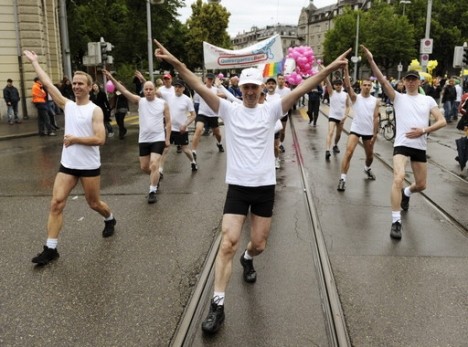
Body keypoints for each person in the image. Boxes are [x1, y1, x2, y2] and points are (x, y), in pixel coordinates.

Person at [154, 38, 351, 334]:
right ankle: (218, 305)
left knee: (258, 244)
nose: (249, 92)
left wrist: (330, 69)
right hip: (237, 187)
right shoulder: (228, 110)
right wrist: (175, 63)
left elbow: (304, 87)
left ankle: (249, 259)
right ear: (241, 90)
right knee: (228, 242)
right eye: (245, 87)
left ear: (261, 91)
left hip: (263, 190)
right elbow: (197, 84)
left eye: (254, 88)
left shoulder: (271, 110)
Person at [24, 50, 116, 266]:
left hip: (89, 165)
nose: (76, 86)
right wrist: (35, 63)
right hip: (68, 165)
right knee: (56, 203)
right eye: (74, 83)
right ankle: (51, 248)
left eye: (80, 84)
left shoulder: (95, 111)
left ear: (89, 87)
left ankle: (109, 218)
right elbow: (48, 84)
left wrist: (76, 139)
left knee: (93, 203)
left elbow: (100, 139)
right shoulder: (68, 105)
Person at [361, 45, 446, 241]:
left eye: (413, 79)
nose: (410, 82)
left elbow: (441, 121)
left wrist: (423, 130)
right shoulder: (397, 97)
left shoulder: (428, 100)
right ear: (403, 82)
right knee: (398, 178)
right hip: (401, 145)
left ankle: (407, 193)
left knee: (422, 185)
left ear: (419, 82)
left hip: (420, 145)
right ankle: (396, 221)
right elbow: (382, 79)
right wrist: (371, 60)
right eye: (407, 79)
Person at [103, 69, 171, 204]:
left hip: (158, 138)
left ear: (154, 90)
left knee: (154, 164)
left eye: (151, 89)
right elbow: (124, 90)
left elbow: (168, 122)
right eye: (146, 89)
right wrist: (111, 78)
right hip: (144, 139)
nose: (149, 91)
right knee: (145, 167)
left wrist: (167, 138)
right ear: (143, 91)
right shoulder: (140, 101)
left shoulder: (162, 104)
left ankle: (152, 191)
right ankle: (156, 176)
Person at [337, 65, 379, 192]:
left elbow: (376, 117)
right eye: (365, 85)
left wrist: (375, 135)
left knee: (370, 156)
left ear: (371, 87)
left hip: (368, 132)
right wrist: (345, 70)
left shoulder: (375, 101)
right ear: (361, 86)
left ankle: (367, 169)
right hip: (355, 129)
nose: (367, 87)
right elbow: (348, 87)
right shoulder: (356, 98)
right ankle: (342, 179)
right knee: (349, 152)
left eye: (369, 85)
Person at [160, 79, 198, 172]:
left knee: (185, 149)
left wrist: (185, 125)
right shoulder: (169, 96)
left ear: (183, 88)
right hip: (169, 128)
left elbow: (193, 115)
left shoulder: (187, 100)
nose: (177, 88)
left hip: (181, 129)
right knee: (165, 149)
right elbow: (155, 92)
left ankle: (193, 161)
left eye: (179, 87)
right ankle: (160, 171)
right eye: (176, 86)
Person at [190, 73, 225, 161]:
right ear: (205, 79)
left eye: (211, 79)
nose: (209, 80)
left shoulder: (215, 89)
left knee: (218, 134)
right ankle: (193, 151)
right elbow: (194, 85)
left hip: (213, 114)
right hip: (202, 113)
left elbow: (224, 95)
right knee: (198, 130)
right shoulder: (202, 88)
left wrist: (215, 95)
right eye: (208, 79)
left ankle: (219, 143)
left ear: (213, 80)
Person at [323, 74, 350, 160]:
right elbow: (327, 81)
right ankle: (327, 150)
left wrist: (345, 116)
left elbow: (348, 106)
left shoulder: (346, 95)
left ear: (342, 85)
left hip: (341, 117)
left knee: (338, 135)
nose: (338, 86)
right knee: (330, 132)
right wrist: (324, 71)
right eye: (336, 85)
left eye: (340, 85)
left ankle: (335, 145)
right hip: (332, 116)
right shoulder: (331, 93)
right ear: (334, 86)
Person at [275, 73, 291, 153]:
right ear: (277, 80)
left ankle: (280, 142)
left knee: (283, 132)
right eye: (279, 79)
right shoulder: (274, 89)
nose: (281, 81)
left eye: (282, 79)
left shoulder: (287, 90)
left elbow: (290, 101)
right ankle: (278, 144)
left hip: (284, 113)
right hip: (275, 114)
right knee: (275, 130)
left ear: (284, 80)